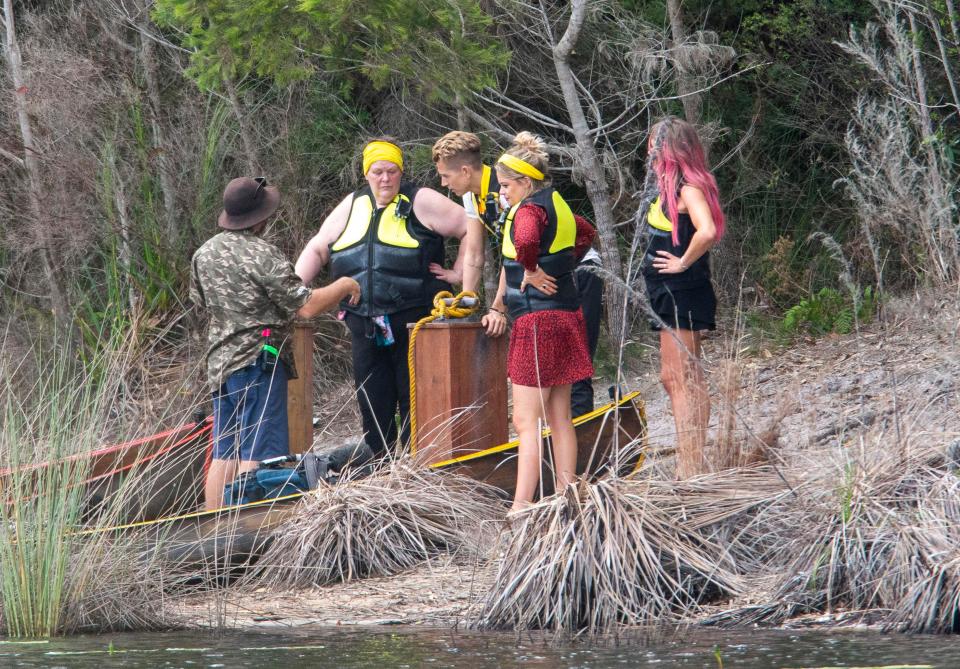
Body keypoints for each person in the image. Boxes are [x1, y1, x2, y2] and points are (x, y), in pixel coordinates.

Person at [296, 138, 480, 457]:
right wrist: (294, 289)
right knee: (373, 399)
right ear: (367, 173)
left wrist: (459, 273)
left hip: (414, 321)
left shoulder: (421, 199)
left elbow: (470, 226)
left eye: (392, 171)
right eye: (378, 171)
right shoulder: (352, 205)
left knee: (416, 398)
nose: (385, 178)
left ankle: (420, 465)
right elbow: (317, 247)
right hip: (365, 326)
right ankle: (382, 466)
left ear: (400, 171)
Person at [191, 176, 360, 510]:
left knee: (226, 451)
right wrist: (343, 285)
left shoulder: (203, 253)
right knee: (258, 453)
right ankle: (248, 529)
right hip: (257, 362)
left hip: (220, 365)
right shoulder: (262, 255)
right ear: (261, 217)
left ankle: (215, 531)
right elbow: (307, 305)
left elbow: (201, 301)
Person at [432, 130, 603, 417]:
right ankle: (559, 445)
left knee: (573, 370)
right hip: (538, 274)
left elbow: (518, 254)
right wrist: (468, 300)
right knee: (559, 376)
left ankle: (579, 445)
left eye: (446, 177)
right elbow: (475, 253)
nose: (443, 183)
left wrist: (500, 305)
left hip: (573, 272)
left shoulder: (505, 191)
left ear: (464, 171)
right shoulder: (474, 199)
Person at [481, 132, 596, 513]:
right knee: (560, 416)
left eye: (506, 186)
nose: (503, 193)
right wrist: (560, 268)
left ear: (526, 182)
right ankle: (568, 495)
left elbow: (527, 241)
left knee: (525, 420)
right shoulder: (559, 204)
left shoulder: (529, 209)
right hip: (567, 316)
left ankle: (521, 507)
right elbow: (586, 233)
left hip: (537, 323)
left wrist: (531, 269)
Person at [640, 116, 725, 478]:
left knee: (680, 377)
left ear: (664, 148)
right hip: (669, 294)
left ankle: (690, 465)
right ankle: (691, 460)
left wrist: (681, 263)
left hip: (681, 292)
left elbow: (707, 231)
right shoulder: (670, 187)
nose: (647, 150)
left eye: (652, 143)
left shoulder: (687, 187)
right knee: (679, 376)